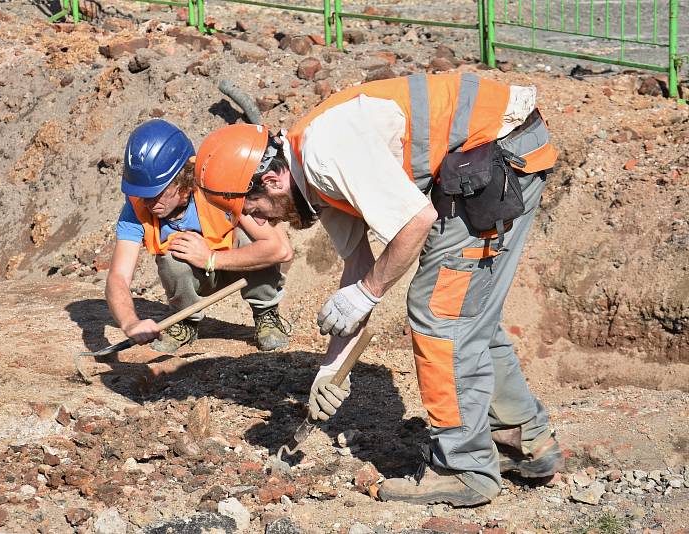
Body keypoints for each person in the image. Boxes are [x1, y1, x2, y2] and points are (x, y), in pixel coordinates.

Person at [193, 73, 564, 507]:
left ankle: (464, 469)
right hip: (486, 153)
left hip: (500, 151)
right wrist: (331, 369)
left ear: (272, 181)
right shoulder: (312, 179)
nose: (266, 222)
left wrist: (367, 295)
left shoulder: (323, 157)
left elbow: (414, 224)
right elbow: (358, 266)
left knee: (440, 312)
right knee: (464, 309)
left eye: (255, 210)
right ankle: (525, 440)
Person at [106, 119, 292, 354]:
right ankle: (185, 321)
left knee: (253, 238)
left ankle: (266, 314)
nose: (148, 203)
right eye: (143, 194)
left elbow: (281, 250)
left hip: (238, 264)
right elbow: (118, 277)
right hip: (199, 277)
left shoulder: (217, 183)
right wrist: (129, 322)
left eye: (157, 193)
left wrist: (210, 258)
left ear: (182, 182)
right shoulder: (136, 208)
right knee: (172, 258)